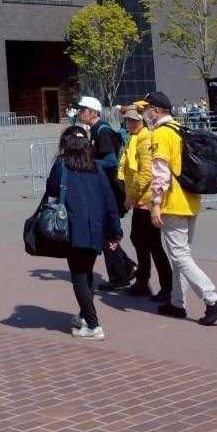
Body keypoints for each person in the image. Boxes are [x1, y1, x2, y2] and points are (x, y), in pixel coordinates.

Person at [145, 91, 217, 325]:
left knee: (179, 255)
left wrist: (155, 203)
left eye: (147, 109)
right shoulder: (178, 129)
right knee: (182, 255)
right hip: (190, 199)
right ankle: (177, 302)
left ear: (156, 110)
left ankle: (212, 299)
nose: (145, 113)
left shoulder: (161, 133)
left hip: (173, 202)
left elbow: (161, 172)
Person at [45, 126, 123, 340]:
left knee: (79, 276)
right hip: (95, 229)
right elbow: (109, 201)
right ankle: (84, 316)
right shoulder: (96, 167)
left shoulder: (62, 165)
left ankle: (93, 325)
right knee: (86, 273)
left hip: (73, 229)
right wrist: (115, 232)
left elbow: (51, 188)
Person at [75, 96, 134, 291]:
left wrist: (87, 163)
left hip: (110, 191)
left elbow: (111, 161)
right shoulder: (96, 131)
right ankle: (127, 267)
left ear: (94, 113)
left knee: (107, 234)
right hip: (105, 189)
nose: (80, 112)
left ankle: (119, 277)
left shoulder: (103, 132)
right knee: (106, 233)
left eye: (83, 109)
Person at [117, 104, 171, 301]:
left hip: (146, 200)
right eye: (128, 120)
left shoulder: (144, 138)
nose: (130, 123)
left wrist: (131, 196)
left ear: (142, 121)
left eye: (134, 120)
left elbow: (146, 173)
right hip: (141, 199)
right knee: (141, 241)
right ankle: (143, 281)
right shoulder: (134, 138)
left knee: (152, 244)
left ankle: (165, 286)